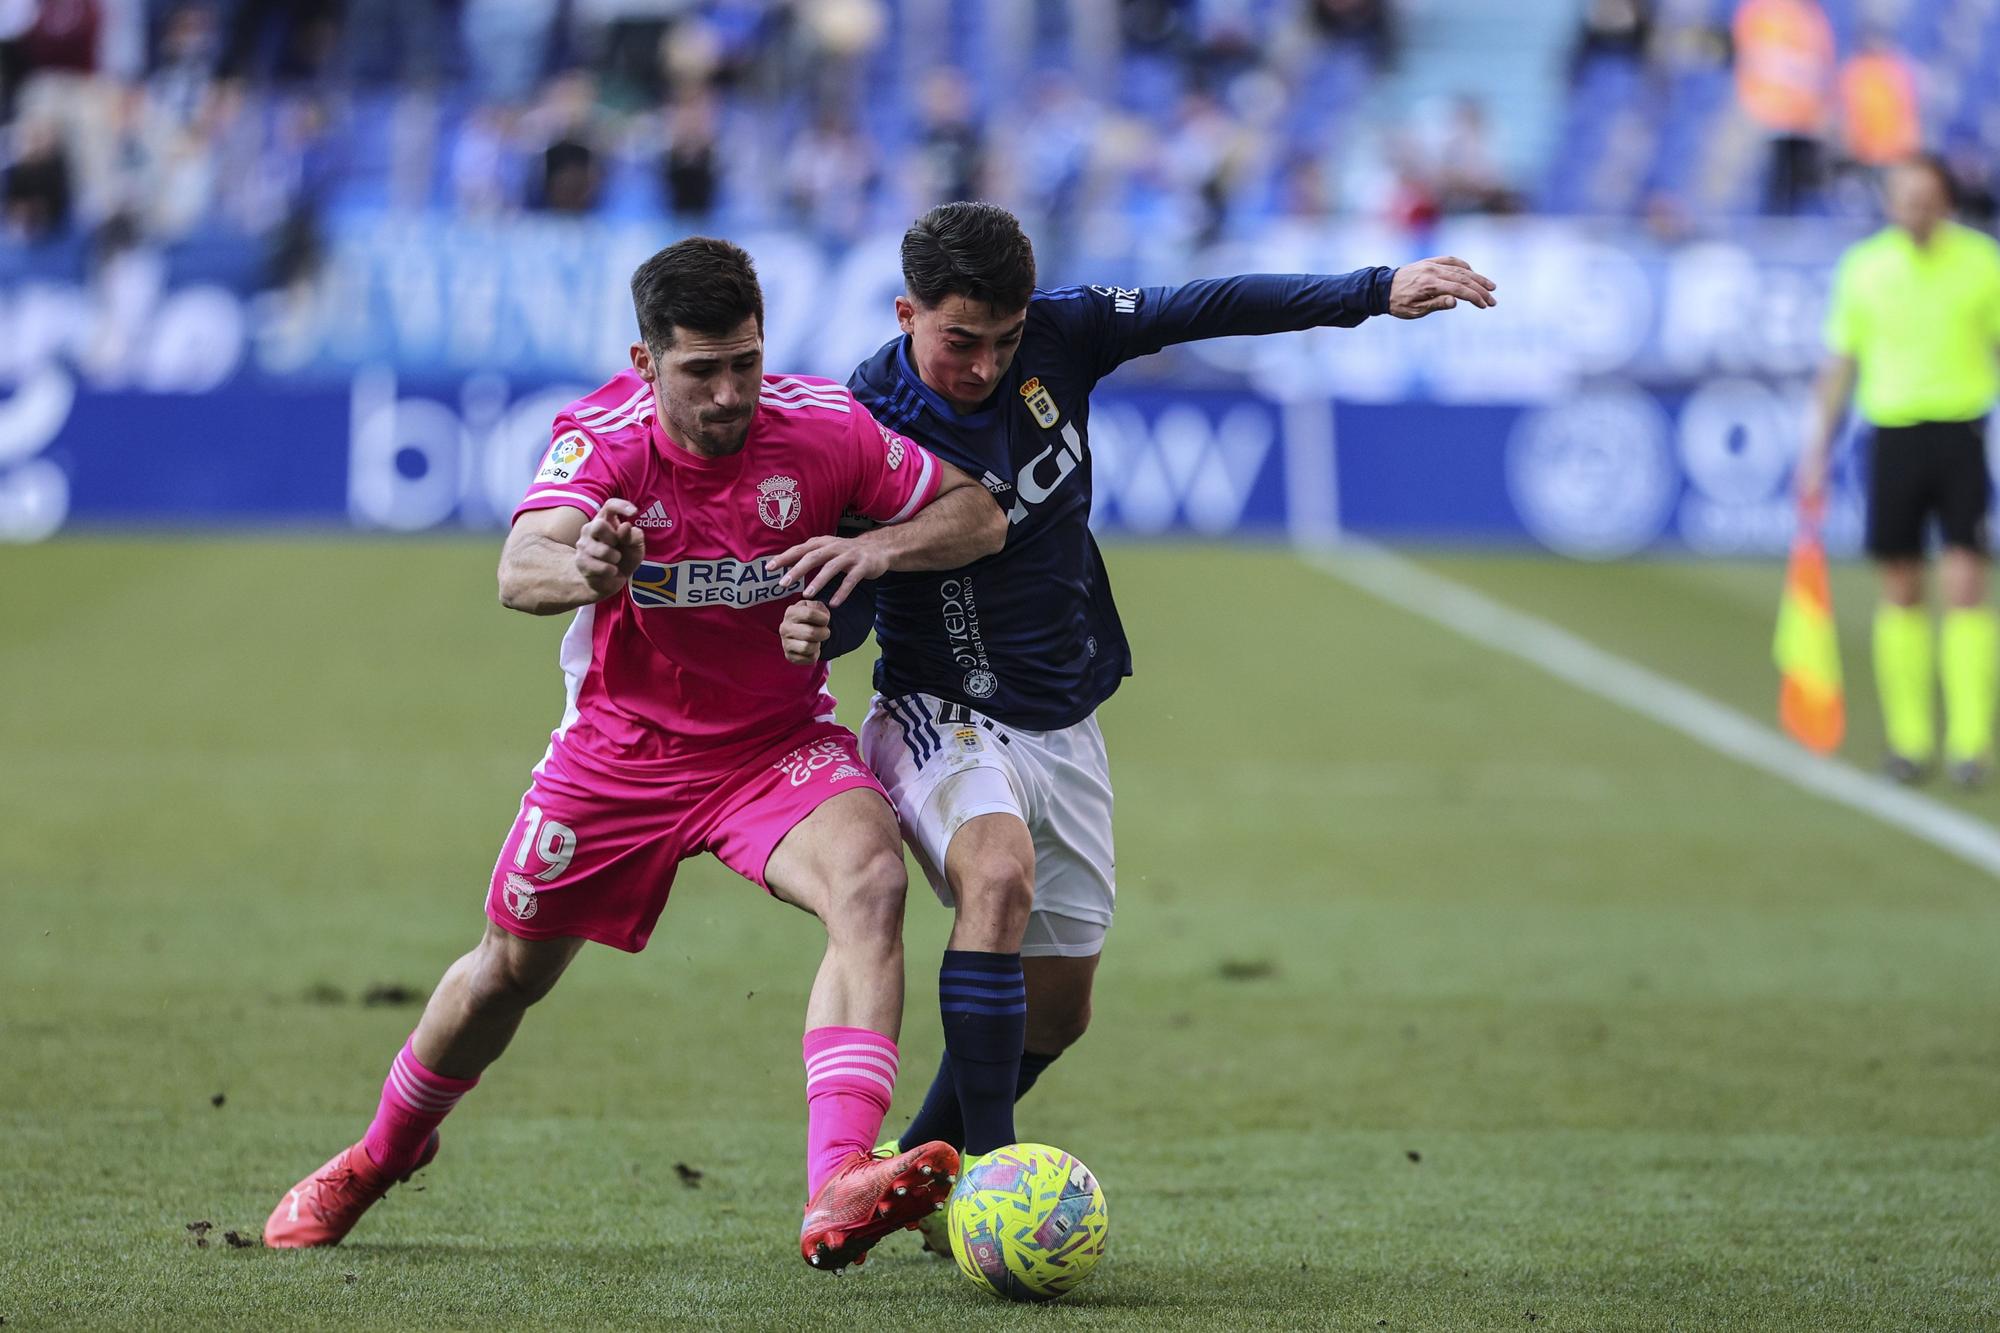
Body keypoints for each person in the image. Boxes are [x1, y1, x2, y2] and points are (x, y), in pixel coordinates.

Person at [262, 236, 1009, 1272]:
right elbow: (519, 571)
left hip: (772, 749)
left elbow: (975, 511)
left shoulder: (826, 428)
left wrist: (864, 553)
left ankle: (837, 1175)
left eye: (744, 362)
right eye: (700, 370)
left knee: (870, 879)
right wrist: (589, 564)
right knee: (504, 978)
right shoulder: (604, 442)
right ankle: (378, 1155)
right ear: (644, 359)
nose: (729, 393)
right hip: (620, 759)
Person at [777, 201, 1495, 1245]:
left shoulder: (1063, 335)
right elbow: (838, 600)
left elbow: (1205, 306)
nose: (981, 365)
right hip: (941, 709)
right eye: (958, 341)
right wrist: (818, 625)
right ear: (905, 313)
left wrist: (1371, 291)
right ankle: (986, 1184)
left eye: (1002, 341)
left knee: (1060, 1011)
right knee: (997, 877)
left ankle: (905, 1176)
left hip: (1062, 718)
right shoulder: (863, 417)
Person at [1799, 156, 2000, 787]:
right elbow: (1841, 362)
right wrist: (1816, 448)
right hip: (1891, 436)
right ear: (1890, 203)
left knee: (1967, 583)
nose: (1914, 208)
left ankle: (1970, 744)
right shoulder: (1865, 268)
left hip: (1961, 432)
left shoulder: (1982, 263)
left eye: (1925, 197)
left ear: (1946, 202)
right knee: (1901, 587)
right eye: (1904, 197)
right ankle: (1909, 741)